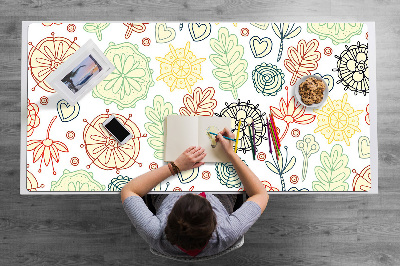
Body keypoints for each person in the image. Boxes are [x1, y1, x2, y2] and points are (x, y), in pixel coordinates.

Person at [121, 128, 269, 258]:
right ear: (215, 222)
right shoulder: (227, 232)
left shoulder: (155, 233)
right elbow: (261, 194)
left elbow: (128, 190)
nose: (197, 192)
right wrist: (230, 153)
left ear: (169, 218)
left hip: (166, 194)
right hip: (221, 197)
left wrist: (175, 166)